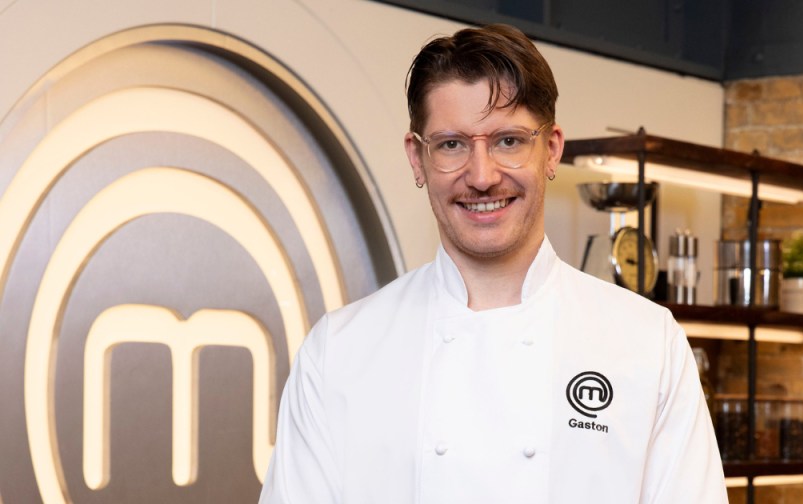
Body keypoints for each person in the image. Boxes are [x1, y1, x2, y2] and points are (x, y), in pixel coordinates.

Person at [259, 23, 727, 504]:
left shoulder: (648, 343)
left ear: (551, 149)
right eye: (451, 145)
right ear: (417, 160)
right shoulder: (338, 353)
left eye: (508, 141)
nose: (481, 177)